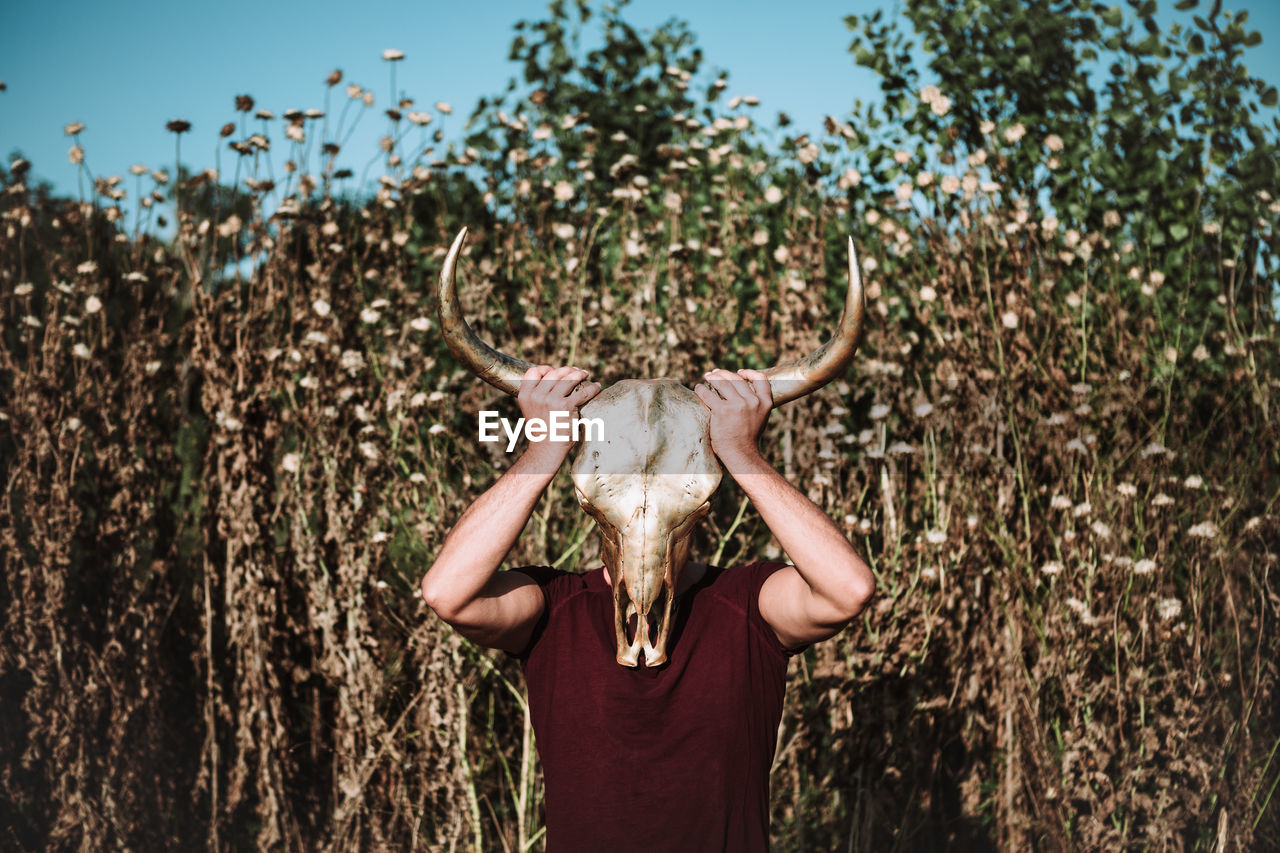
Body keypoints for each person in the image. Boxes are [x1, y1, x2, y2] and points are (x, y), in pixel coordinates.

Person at [421, 364, 875, 853]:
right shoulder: (554, 609)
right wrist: (544, 449)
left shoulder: (746, 604)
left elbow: (847, 589)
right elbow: (449, 593)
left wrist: (744, 456)